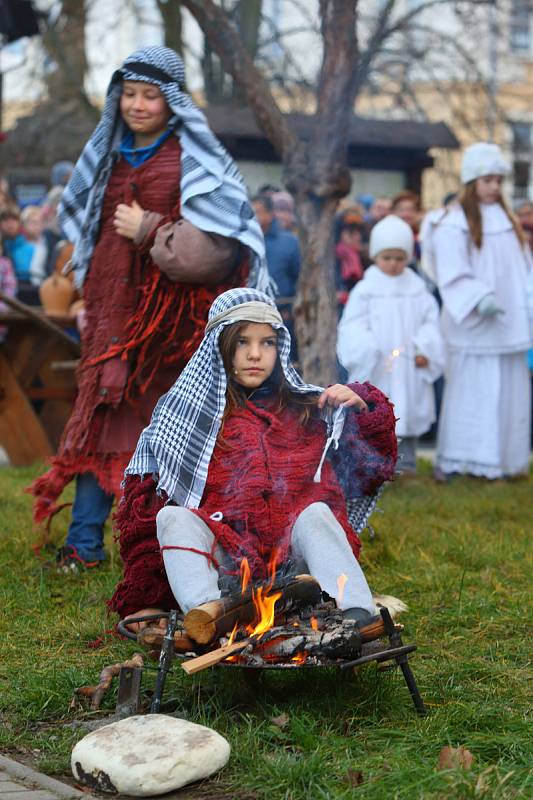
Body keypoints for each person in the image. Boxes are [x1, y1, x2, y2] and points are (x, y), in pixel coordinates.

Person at [30, 46, 268, 570]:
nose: (138, 105)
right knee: (102, 429)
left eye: (151, 95)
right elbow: (93, 239)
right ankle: (84, 547)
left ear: (172, 101)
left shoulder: (193, 160)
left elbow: (220, 246)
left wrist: (152, 230)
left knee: (170, 436)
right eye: (130, 94)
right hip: (112, 322)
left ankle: (170, 552)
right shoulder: (110, 159)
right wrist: (89, 303)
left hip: (169, 331)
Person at [108, 288, 397, 627]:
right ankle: (210, 617)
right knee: (172, 518)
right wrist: (146, 600)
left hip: (296, 569)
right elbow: (145, 519)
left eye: (267, 342)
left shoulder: (307, 410)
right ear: (220, 346)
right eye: (243, 342)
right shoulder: (186, 421)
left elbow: (371, 467)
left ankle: (357, 614)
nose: (255, 354)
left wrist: (363, 406)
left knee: (317, 512)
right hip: (228, 572)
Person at [429, 142, 532, 479]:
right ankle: (463, 461)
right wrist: (476, 296)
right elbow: (451, 268)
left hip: (509, 325)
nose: (495, 187)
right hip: (474, 325)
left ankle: (504, 460)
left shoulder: (507, 220)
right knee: (472, 395)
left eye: (499, 180)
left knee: (507, 394)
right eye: (488, 180)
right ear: (473, 181)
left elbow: (523, 269)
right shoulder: (454, 221)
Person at [337, 216, 444, 474]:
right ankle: (375, 466)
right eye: (387, 257)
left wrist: (423, 348)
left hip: (408, 368)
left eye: (399, 257)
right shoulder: (366, 289)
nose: (394, 264)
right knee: (378, 413)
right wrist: (365, 346)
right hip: (378, 368)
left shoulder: (419, 290)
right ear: (375, 256)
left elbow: (431, 323)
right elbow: (352, 324)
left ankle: (407, 464)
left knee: (408, 410)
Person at [252, 193, 300, 355]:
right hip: (249, 311)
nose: (254, 216)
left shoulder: (289, 242)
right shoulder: (244, 241)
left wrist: (292, 307)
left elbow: (298, 278)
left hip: (281, 313)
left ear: (270, 214)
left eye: (258, 212)